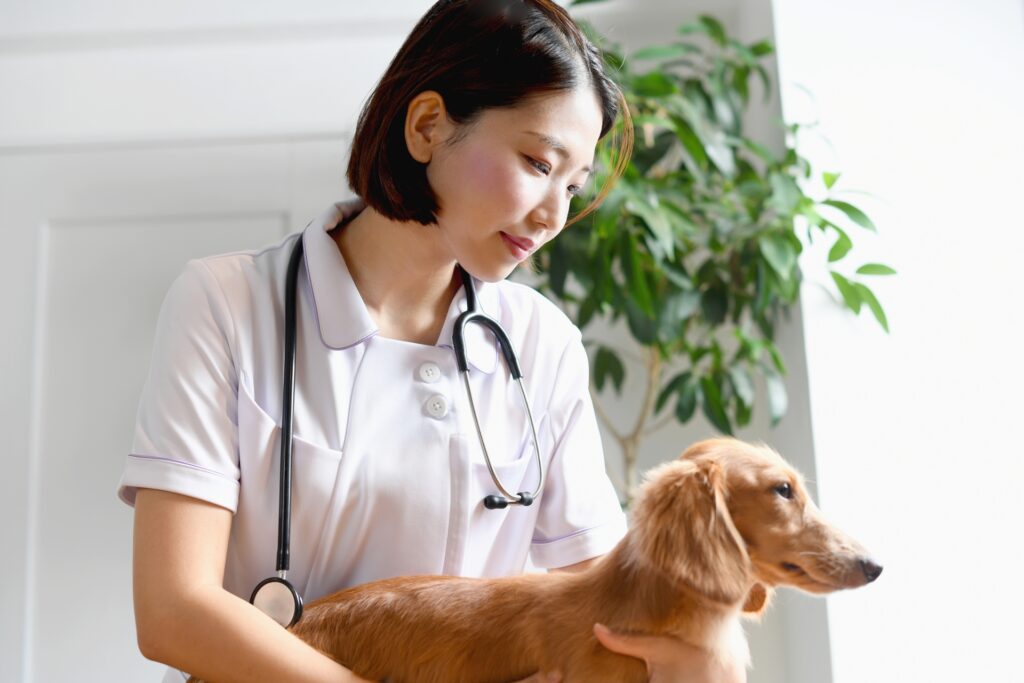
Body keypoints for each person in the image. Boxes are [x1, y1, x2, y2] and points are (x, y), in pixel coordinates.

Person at [116, 1, 745, 681]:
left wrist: (716, 649)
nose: (554, 214)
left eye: (574, 185)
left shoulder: (542, 342)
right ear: (426, 126)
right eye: (538, 162)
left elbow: (605, 613)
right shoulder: (227, 302)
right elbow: (174, 608)